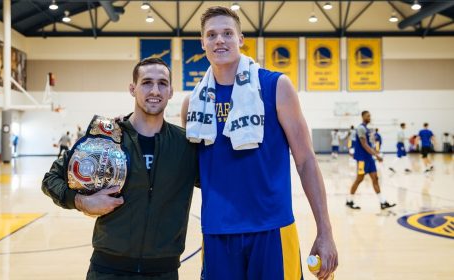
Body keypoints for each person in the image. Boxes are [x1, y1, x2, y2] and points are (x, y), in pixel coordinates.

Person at [182, 6, 337, 280]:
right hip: (218, 233)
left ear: (240, 39)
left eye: (227, 33)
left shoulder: (276, 86)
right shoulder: (192, 103)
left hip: (273, 229)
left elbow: (305, 160)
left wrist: (325, 232)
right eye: (212, 34)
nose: (220, 40)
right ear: (202, 42)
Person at [42, 58, 199, 280]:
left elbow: (223, 180)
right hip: (108, 269)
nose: (155, 90)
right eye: (146, 83)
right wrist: (82, 201)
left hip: (163, 271)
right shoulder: (106, 138)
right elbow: (51, 179)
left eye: (162, 83)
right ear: (132, 89)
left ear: (171, 91)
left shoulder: (186, 145)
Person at [346, 111, 396, 211]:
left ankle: (383, 202)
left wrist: (374, 154)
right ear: (362, 116)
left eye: (370, 116)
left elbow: (370, 143)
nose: (369, 117)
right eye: (368, 116)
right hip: (362, 159)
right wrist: (376, 155)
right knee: (359, 179)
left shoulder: (367, 129)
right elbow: (364, 144)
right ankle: (349, 201)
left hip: (369, 159)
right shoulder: (360, 128)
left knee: (375, 178)